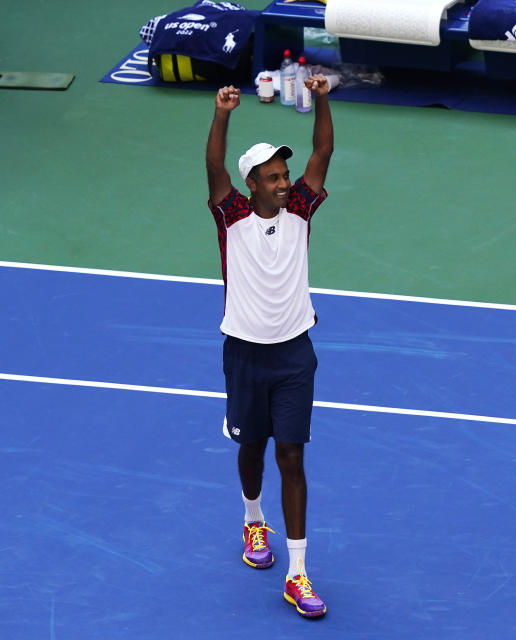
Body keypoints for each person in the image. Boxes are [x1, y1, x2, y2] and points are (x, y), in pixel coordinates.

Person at [205, 73, 333, 617]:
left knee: (292, 455)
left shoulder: (301, 210)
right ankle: (254, 520)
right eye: (273, 177)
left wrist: (322, 100)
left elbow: (323, 149)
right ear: (251, 184)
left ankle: (298, 574)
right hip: (244, 353)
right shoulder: (230, 215)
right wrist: (222, 113)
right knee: (252, 448)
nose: (285, 183)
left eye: (285, 175)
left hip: (294, 354)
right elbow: (213, 168)